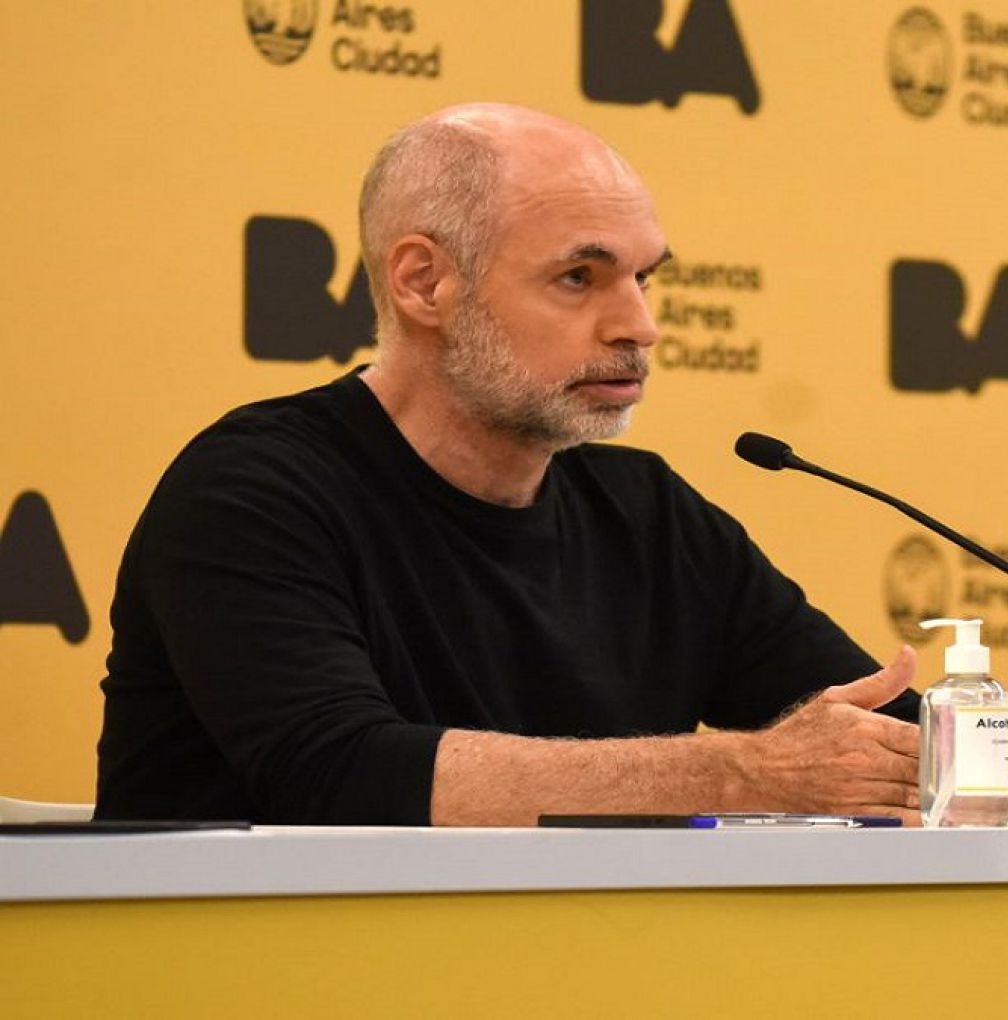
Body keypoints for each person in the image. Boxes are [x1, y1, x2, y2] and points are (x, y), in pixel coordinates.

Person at [95, 103, 921, 826]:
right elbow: (343, 776)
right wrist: (743, 774)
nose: (640, 326)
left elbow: (890, 732)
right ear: (424, 283)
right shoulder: (253, 493)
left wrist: (940, 756)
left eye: (643, 279)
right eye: (578, 277)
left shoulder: (648, 513)